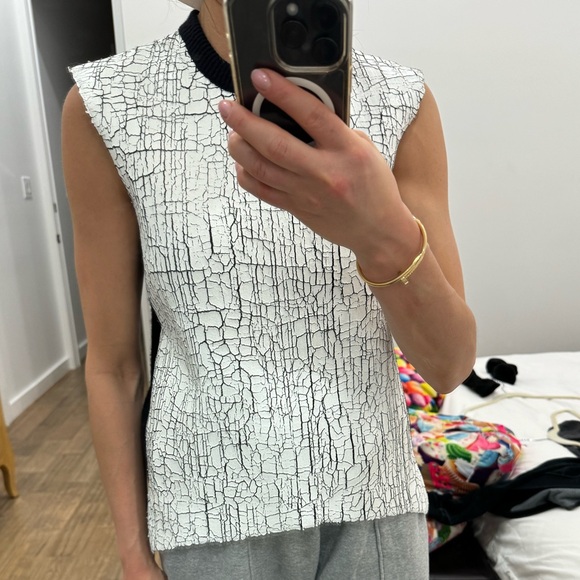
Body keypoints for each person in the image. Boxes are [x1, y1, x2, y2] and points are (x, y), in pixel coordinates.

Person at [61, 0, 476, 578]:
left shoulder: (399, 99)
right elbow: (114, 366)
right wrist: (133, 553)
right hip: (211, 515)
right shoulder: (110, 103)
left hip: (377, 502)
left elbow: (449, 364)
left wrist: (381, 234)